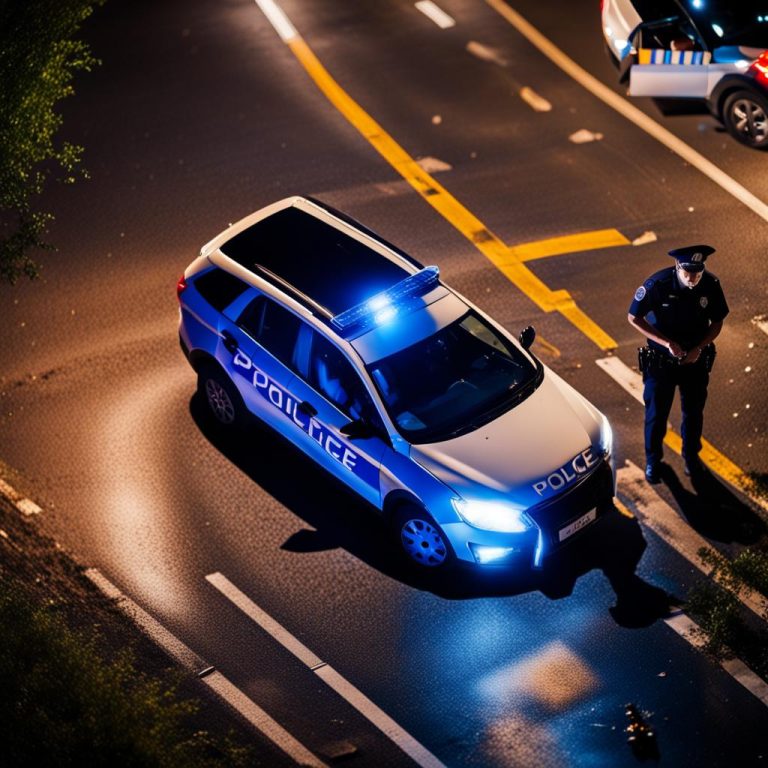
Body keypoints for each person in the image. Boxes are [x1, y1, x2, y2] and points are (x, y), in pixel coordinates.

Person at [627, 245, 729, 484]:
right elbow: (634, 317)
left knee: (693, 414)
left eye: (697, 271)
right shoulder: (658, 284)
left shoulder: (710, 285)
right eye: (687, 272)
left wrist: (699, 348)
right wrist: (665, 342)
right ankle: (653, 460)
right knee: (656, 415)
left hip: (694, 361)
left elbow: (717, 321)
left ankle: (691, 457)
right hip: (661, 362)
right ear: (677, 267)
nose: (692, 277)